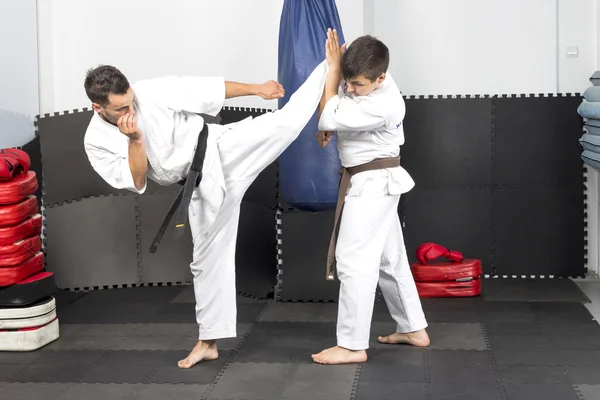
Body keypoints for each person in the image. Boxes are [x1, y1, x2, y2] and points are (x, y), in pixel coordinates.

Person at [83, 44, 332, 369]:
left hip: (220, 148)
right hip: (198, 186)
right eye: (121, 108)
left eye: (131, 100)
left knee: (286, 124)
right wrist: (134, 140)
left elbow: (207, 89)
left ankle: (330, 63)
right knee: (206, 262)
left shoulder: (150, 91)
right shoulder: (96, 142)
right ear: (98, 108)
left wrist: (257, 89)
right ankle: (208, 342)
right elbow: (138, 179)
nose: (131, 109)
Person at [311, 31, 430, 365]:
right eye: (347, 81)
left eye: (358, 84)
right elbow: (341, 104)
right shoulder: (372, 78)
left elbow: (330, 112)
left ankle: (351, 345)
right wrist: (342, 85)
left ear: (381, 77)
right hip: (375, 182)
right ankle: (413, 327)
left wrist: (334, 70)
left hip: (372, 184)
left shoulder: (386, 104)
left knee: (352, 261)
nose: (349, 88)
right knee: (389, 259)